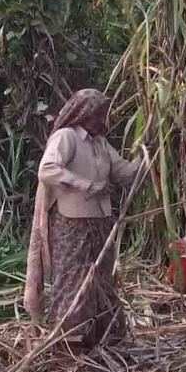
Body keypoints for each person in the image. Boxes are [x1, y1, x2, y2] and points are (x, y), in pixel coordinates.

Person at [24, 88, 141, 349]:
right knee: (74, 278)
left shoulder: (100, 143)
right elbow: (47, 169)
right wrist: (85, 185)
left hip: (100, 221)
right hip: (71, 222)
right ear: (85, 113)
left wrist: (145, 158)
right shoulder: (66, 138)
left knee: (102, 278)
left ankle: (103, 335)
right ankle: (71, 339)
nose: (103, 118)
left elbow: (123, 171)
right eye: (99, 112)